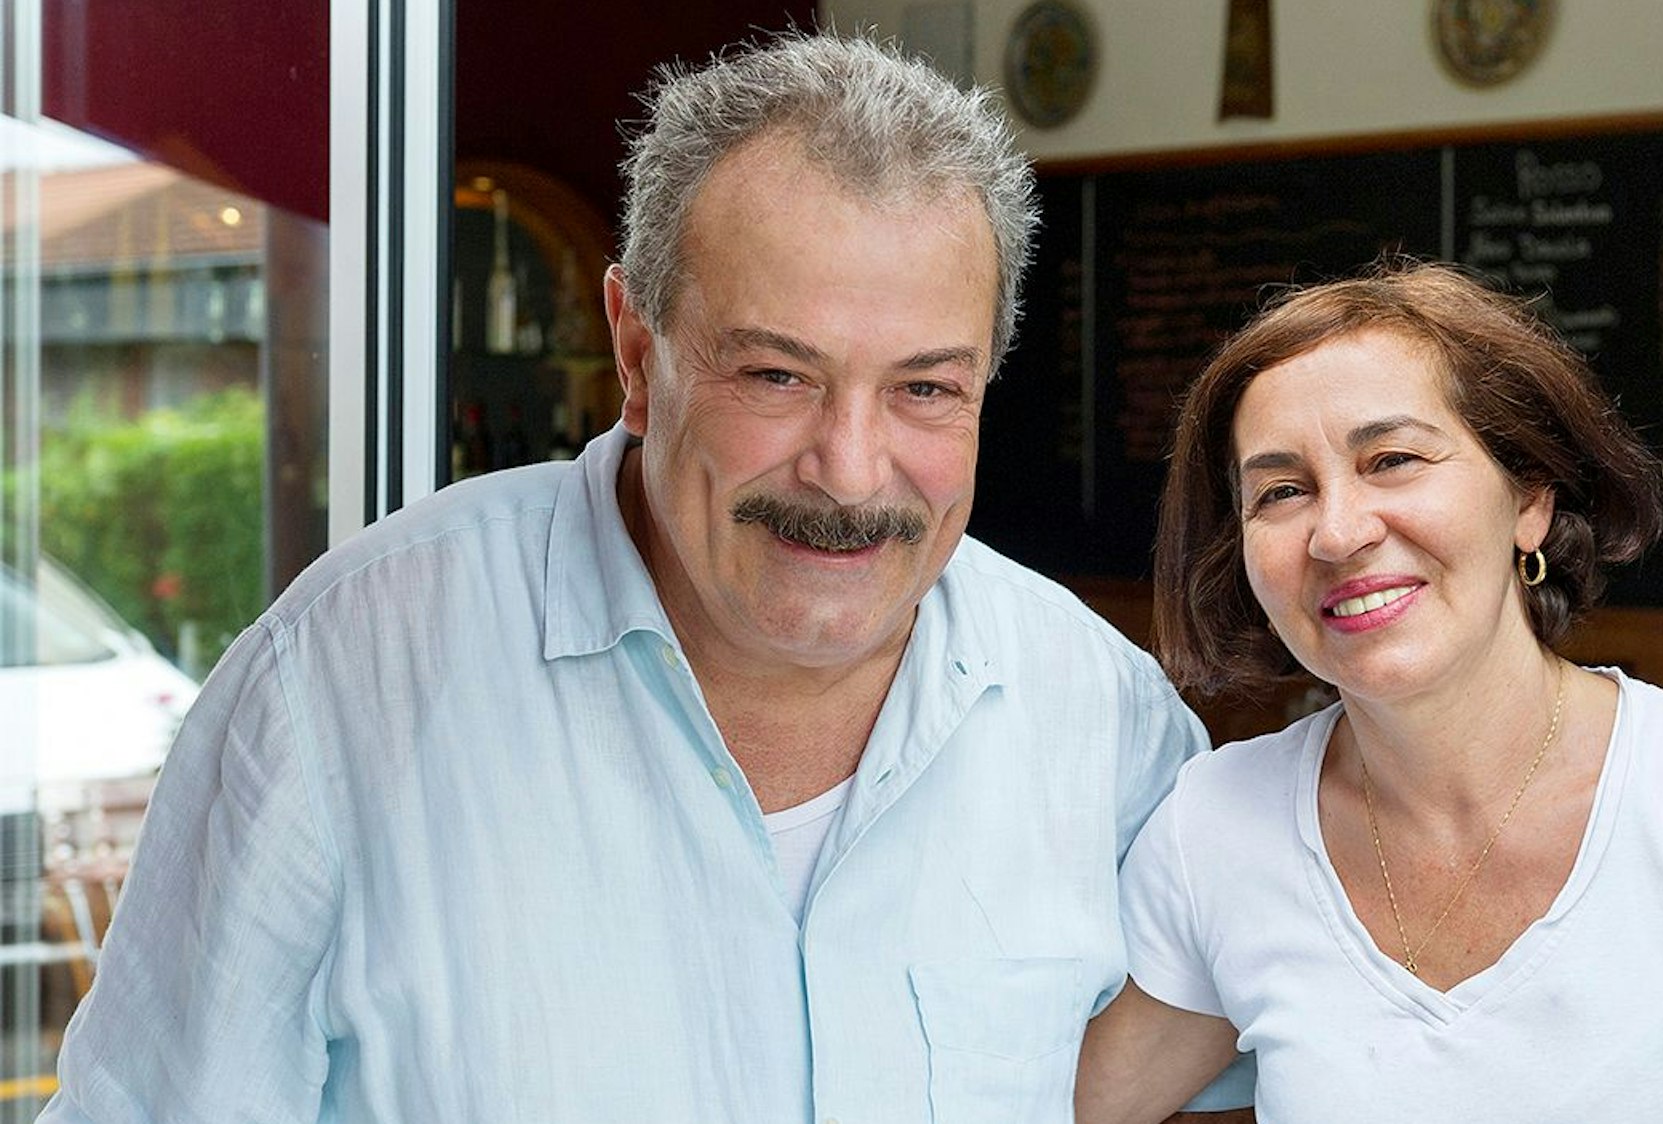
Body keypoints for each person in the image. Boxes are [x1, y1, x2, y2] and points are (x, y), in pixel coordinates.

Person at [45, 33, 1250, 1122]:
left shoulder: (1103, 718)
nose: (849, 469)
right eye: (776, 375)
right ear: (635, 350)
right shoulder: (342, 678)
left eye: (925, 388)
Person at [1074, 259, 1663, 1123]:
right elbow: (1062, 1103)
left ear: (1528, 500)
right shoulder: (1217, 824)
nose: (1335, 533)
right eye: (1281, 491)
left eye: (1393, 459)